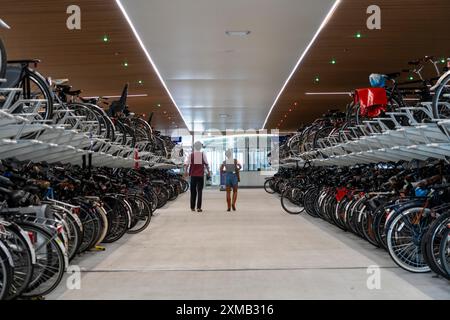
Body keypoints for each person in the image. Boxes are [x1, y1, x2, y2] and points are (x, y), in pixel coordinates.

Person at [185, 141, 210, 212]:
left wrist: (186, 172)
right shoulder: (202, 155)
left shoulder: (191, 155)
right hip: (200, 176)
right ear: (200, 147)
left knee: (193, 191)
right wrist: (208, 172)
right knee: (199, 191)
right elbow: (206, 164)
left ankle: (192, 207)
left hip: (193, 175)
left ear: (195, 147)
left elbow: (187, 164)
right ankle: (198, 207)